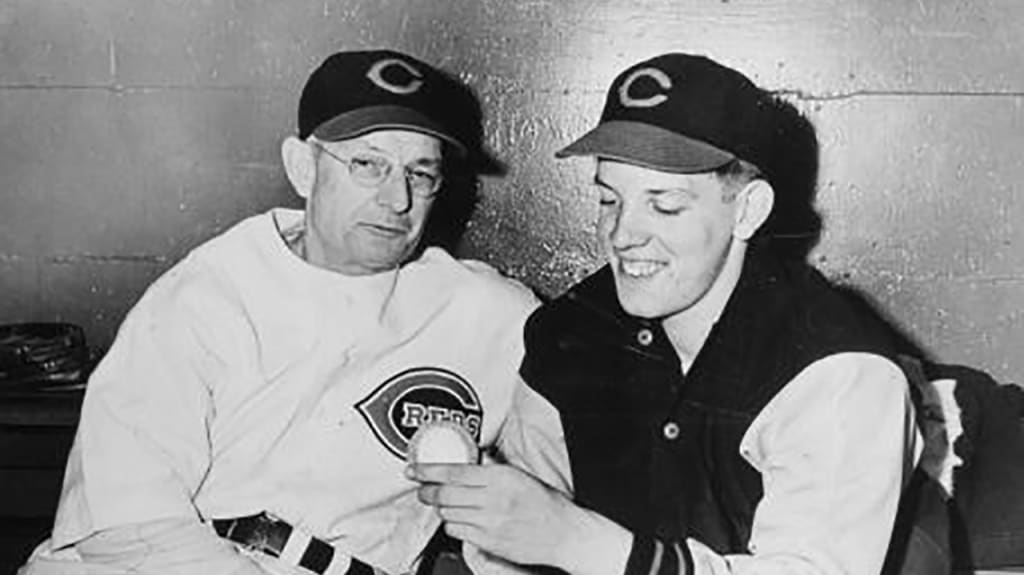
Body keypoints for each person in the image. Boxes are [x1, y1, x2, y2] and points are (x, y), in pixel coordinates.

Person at [19, 49, 564, 575]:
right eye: (368, 165)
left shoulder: (487, 314)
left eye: (420, 174)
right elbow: (127, 523)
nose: (397, 199)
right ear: (303, 167)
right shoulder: (207, 295)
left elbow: (559, 486)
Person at [411, 53, 921, 574]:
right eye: (610, 201)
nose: (623, 234)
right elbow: (520, 544)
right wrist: (491, 521)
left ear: (747, 210)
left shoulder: (836, 369)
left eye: (665, 204)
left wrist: (576, 543)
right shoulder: (572, 331)